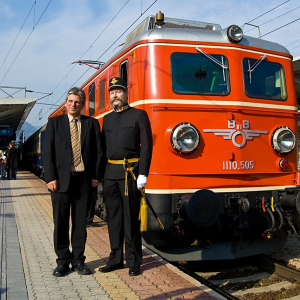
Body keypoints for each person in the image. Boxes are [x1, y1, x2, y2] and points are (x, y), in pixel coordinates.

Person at [43, 87, 103, 277]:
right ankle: (62, 261)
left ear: (82, 104)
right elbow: (48, 153)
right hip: (60, 182)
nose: (73, 104)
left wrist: (96, 176)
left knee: (80, 225)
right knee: (61, 223)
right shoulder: (54, 123)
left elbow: (99, 152)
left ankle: (78, 260)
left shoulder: (91, 124)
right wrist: (50, 177)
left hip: (83, 182)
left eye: (77, 102)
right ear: (65, 103)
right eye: (70, 101)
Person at [99, 77, 153, 276]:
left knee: (131, 220)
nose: (115, 95)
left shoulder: (139, 115)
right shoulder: (107, 119)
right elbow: (103, 150)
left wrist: (143, 173)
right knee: (113, 219)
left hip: (130, 174)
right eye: (112, 92)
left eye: (118, 91)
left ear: (126, 94)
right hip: (110, 174)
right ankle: (115, 259)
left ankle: (133, 261)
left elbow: (147, 146)